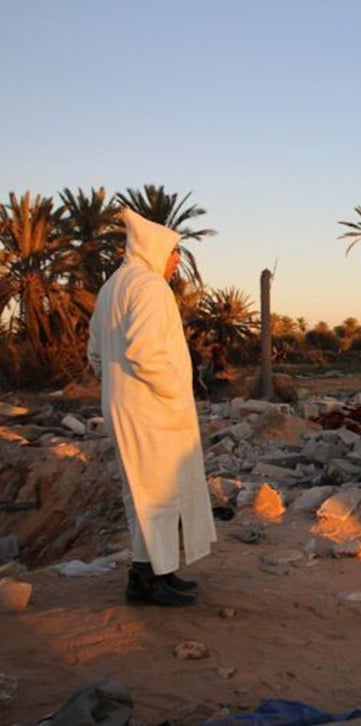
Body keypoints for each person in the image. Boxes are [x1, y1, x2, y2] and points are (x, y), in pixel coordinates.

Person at [87, 208, 216, 607]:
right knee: (158, 494)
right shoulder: (149, 287)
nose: (176, 261)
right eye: (174, 252)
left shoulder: (112, 286)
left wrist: (115, 386)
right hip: (152, 411)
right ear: (155, 249)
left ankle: (152, 572)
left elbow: (95, 353)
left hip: (127, 407)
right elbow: (143, 353)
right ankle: (151, 581)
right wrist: (173, 392)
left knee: (143, 493)